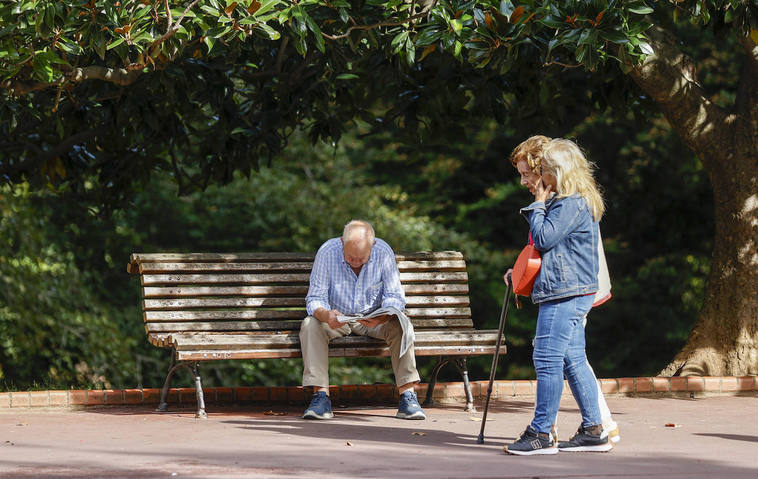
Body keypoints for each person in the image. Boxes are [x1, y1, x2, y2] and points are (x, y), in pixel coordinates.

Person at [507, 135, 621, 446]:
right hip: (570, 289)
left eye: (540, 170)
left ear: (557, 172)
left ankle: (541, 432)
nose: (536, 177)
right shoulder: (574, 201)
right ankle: (594, 428)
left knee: (546, 359)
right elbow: (555, 251)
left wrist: (538, 205)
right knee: (572, 358)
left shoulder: (570, 203)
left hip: (564, 294)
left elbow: (543, 239)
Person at [299, 220, 426, 420]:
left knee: (402, 323)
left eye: (361, 258)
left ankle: (407, 396)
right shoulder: (326, 252)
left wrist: (383, 316)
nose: (355, 262)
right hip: (337, 320)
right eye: (350, 257)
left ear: (373, 245)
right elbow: (315, 298)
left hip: (374, 319)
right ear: (342, 242)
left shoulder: (383, 252)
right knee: (310, 324)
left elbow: (395, 297)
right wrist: (326, 315)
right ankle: (321, 397)